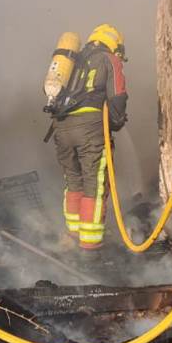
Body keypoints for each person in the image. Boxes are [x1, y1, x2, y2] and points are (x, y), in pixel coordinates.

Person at [50, 25, 128, 250]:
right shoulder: (108, 59)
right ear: (114, 44)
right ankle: (90, 248)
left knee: (73, 180)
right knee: (95, 184)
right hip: (90, 129)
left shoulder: (73, 59)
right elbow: (117, 96)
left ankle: (72, 237)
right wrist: (116, 122)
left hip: (61, 127)